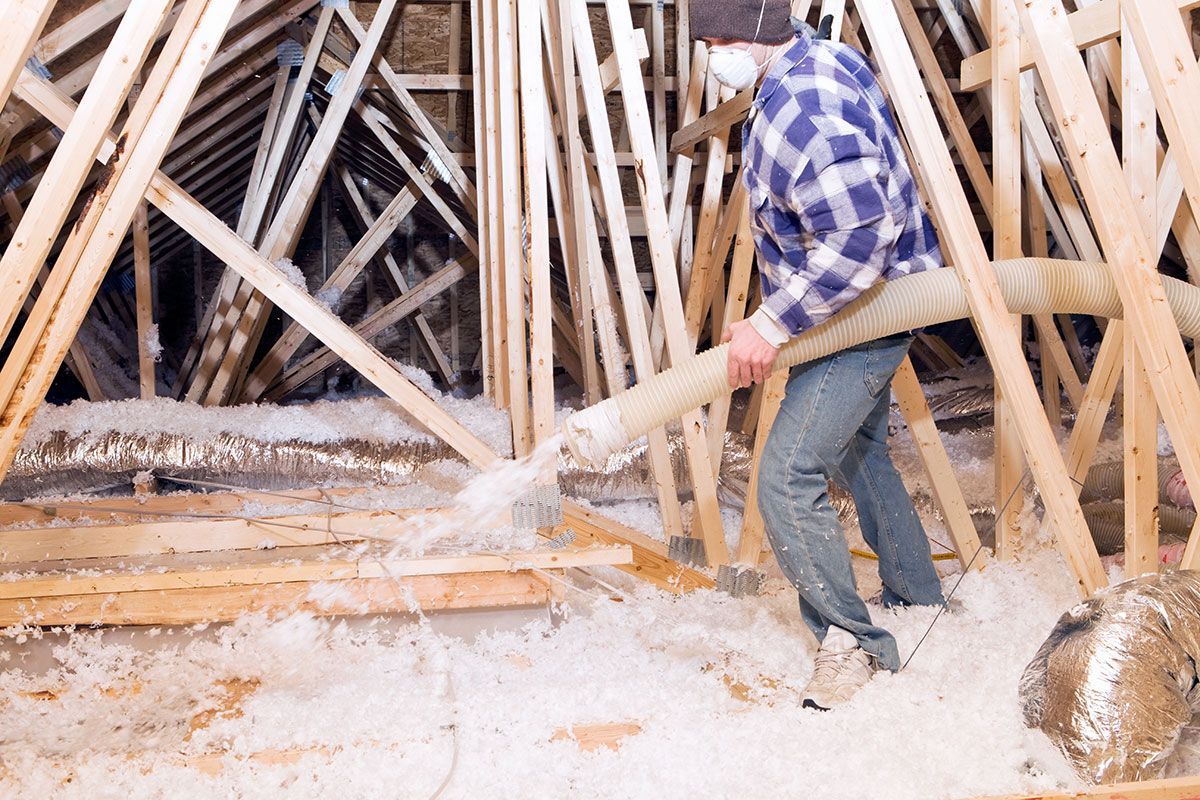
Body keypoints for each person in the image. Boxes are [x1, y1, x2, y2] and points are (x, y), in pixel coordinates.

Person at [689, 0, 948, 710]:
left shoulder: (801, 107)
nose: (714, 56)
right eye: (706, 41)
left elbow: (861, 239)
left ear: (764, 32)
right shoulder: (821, 57)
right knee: (856, 452)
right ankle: (917, 595)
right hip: (844, 310)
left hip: (862, 313)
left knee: (787, 475)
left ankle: (853, 642)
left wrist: (769, 324)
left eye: (722, 40)